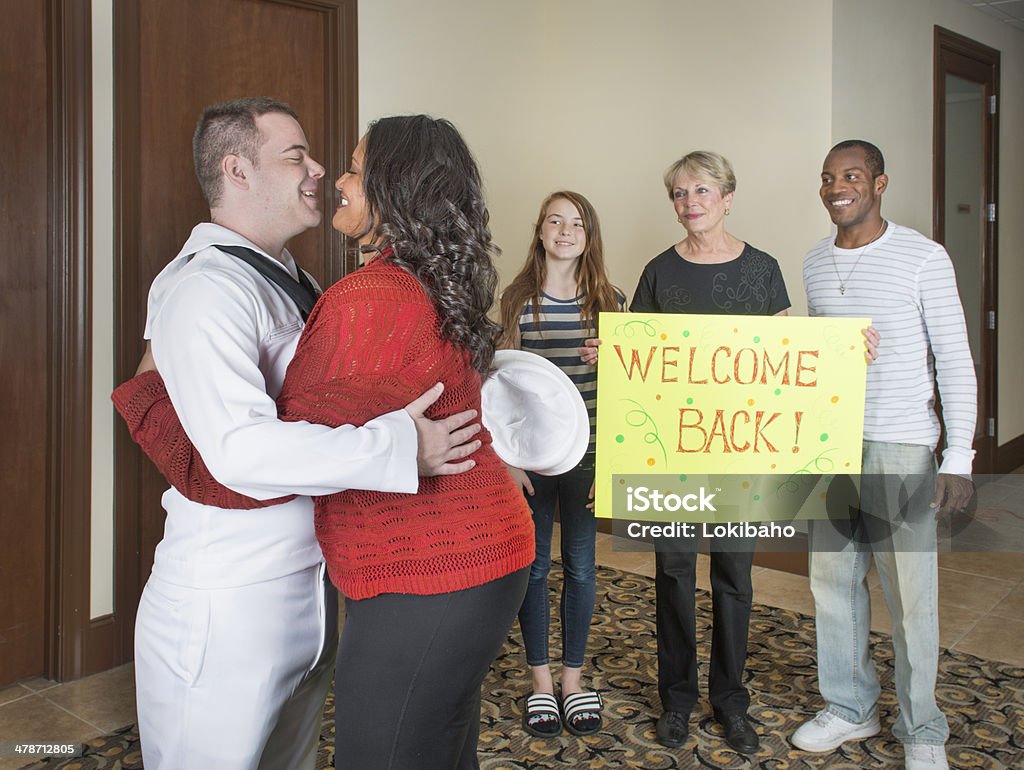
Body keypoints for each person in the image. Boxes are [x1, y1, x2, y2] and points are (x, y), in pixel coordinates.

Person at [119, 114, 537, 770]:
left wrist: (473, 450)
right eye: (300, 156)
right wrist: (144, 403)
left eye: (339, 163)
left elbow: (402, 393)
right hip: (233, 594)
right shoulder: (207, 286)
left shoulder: (321, 286)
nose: (322, 174)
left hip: (324, 582)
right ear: (237, 170)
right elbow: (236, 455)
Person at [792, 140, 976, 770]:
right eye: (827, 178)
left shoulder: (923, 257)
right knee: (833, 582)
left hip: (900, 444)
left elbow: (954, 359)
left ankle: (923, 728)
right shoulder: (815, 262)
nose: (836, 187)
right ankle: (850, 708)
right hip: (831, 442)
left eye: (850, 176)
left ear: (879, 183)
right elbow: (814, 357)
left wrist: (959, 457)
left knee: (909, 594)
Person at [630, 151, 791, 754]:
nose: (688, 202)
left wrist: (843, 350)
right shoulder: (657, 272)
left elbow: (785, 364)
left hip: (740, 448)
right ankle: (676, 699)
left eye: (700, 190)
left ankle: (730, 701)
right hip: (672, 450)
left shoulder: (764, 270)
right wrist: (611, 354)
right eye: (677, 193)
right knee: (671, 573)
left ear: (727, 196)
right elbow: (640, 358)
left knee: (734, 577)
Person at [497, 191, 625, 738]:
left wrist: (615, 462)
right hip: (532, 459)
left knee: (580, 566)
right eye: (556, 221)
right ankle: (542, 683)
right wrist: (507, 460)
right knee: (535, 566)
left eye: (577, 223)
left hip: (591, 456)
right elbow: (499, 384)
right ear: (541, 231)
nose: (566, 231)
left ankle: (574, 682)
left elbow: (629, 392)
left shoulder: (611, 302)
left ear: (589, 235)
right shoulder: (517, 301)